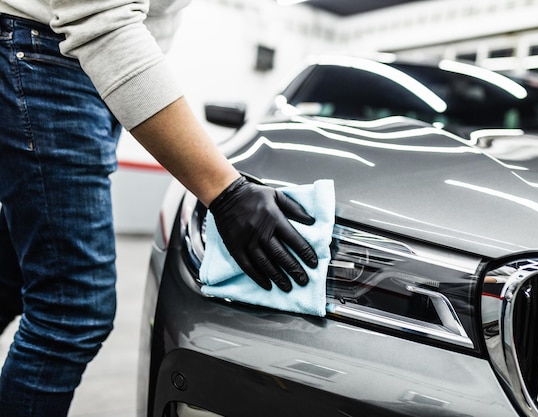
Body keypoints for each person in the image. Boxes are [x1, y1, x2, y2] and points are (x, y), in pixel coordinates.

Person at [0, 1, 318, 416]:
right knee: (71, 310)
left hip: (70, 63)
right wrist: (226, 191)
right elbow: (100, 17)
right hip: (50, 54)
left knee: (12, 270)